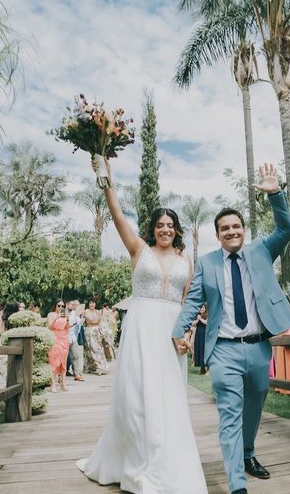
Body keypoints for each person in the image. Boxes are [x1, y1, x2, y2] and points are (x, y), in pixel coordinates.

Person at [77, 157, 206, 493]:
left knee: (169, 395)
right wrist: (106, 177)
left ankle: (168, 460)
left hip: (171, 331)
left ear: (176, 229)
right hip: (141, 327)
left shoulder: (185, 260)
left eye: (170, 225)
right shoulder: (138, 249)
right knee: (135, 394)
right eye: (160, 225)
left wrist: (188, 335)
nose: (165, 229)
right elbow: (117, 213)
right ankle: (133, 458)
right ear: (153, 228)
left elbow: (189, 302)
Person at [173, 163, 290, 494]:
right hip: (224, 350)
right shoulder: (207, 263)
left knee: (254, 406)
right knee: (229, 414)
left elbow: (287, 229)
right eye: (225, 228)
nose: (231, 232)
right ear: (217, 234)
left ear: (244, 230)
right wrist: (178, 330)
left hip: (258, 348)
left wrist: (275, 195)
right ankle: (236, 484)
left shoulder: (260, 251)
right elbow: (192, 301)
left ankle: (247, 453)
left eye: (236, 226)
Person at [46, 301, 70, 392]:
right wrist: (56, 318)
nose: (60, 307)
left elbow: (68, 327)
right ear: (55, 305)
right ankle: (53, 384)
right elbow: (50, 327)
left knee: (64, 362)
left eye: (62, 306)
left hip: (64, 339)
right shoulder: (51, 314)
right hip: (54, 339)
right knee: (53, 361)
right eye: (59, 305)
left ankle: (63, 383)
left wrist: (67, 319)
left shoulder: (65, 314)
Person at [82, 300, 109, 375]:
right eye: (90, 303)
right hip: (89, 332)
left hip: (97, 332)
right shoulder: (85, 311)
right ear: (88, 304)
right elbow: (85, 321)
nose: (92, 304)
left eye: (93, 303)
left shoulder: (98, 311)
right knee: (91, 349)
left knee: (99, 349)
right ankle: (94, 367)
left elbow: (100, 321)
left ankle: (101, 366)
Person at [191, 306, 208, 375]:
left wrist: (200, 319)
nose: (202, 309)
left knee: (204, 350)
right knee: (199, 350)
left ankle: (208, 368)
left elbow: (207, 323)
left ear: (205, 309)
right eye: (201, 308)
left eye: (203, 308)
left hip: (204, 334)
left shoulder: (206, 315)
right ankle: (202, 368)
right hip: (198, 334)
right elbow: (192, 324)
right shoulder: (196, 315)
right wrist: (197, 320)